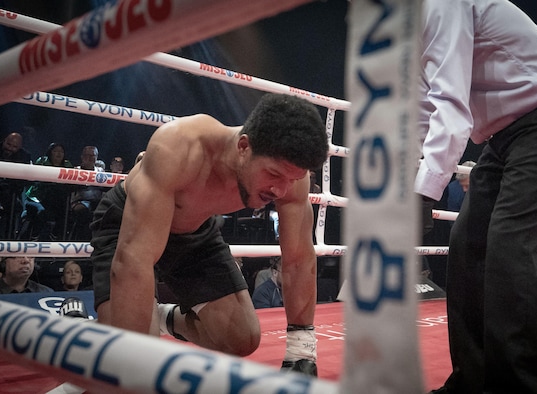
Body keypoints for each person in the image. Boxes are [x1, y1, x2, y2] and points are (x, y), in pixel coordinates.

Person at [416, 1, 537, 393]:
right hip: (503, 137)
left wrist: (424, 194)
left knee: (512, 246)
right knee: (467, 246)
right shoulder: (402, 27)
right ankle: (472, 381)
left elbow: (449, 104)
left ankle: (527, 386)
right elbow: (420, 110)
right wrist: (404, 190)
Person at [90, 93, 328, 374]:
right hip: (129, 226)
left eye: (293, 179)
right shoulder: (180, 147)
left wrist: (301, 351)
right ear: (243, 146)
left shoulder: (290, 179)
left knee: (242, 338)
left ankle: (163, 316)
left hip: (194, 229)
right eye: (273, 174)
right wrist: (140, 357)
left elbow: (299, 258)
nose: (281, 190)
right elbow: (134, 261)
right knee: (134, 364)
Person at [19, 143, 74, 241]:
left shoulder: (67, 164)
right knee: (41, 212)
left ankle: (55, 237)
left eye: (61, 151)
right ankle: (33, 238)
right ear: (50, 152)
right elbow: (33, 179)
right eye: (55, 151)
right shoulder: (42, 161)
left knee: (66, 212)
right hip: (35, 198)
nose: (58, 153)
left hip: (56, 201)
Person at [70, 145, 104, 240]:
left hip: (97, 201)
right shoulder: (76, 170)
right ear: (82, 157)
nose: (90, 158)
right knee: (85, 214)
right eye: (87, 155)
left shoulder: (101, 171)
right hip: (79, 201)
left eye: (92, 155)